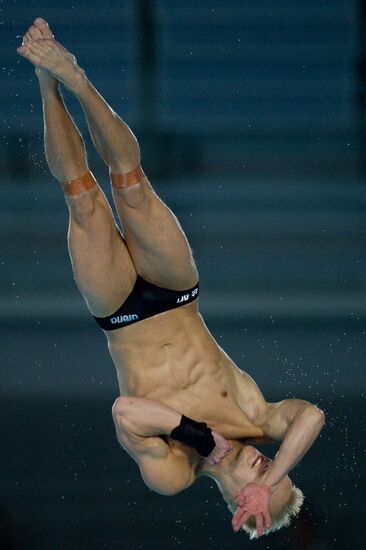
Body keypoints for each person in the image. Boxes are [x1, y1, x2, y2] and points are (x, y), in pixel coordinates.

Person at [17, 18, 325, 539]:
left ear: (236, 504)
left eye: (264, 489)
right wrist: (278, 471)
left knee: (82, 198)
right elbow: (313, 417)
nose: (264, 476)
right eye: (276, 475)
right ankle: (76, 79)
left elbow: (127, 410)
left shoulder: (173, 474)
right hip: (177, 294)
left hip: (121, 314)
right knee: (131, 187)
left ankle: (46, 80)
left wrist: (201, 440)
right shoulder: (258, 418)